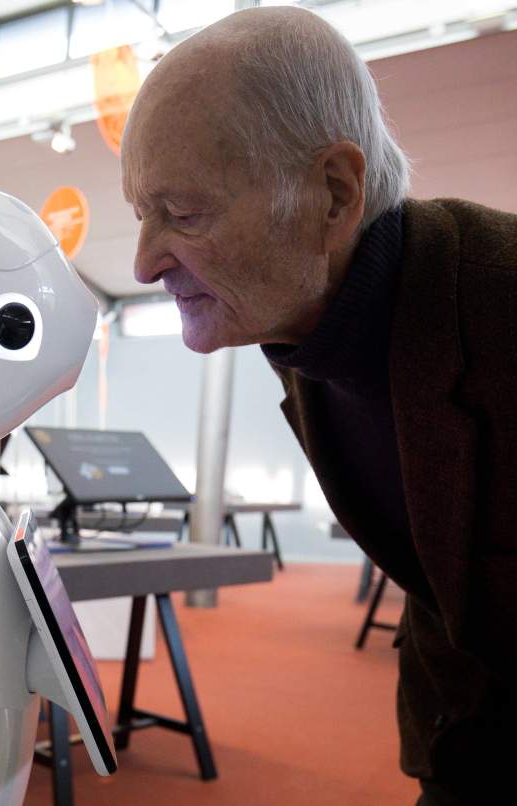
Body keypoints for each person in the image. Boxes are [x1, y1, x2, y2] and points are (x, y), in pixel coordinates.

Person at [121, 7, 515, 805]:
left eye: (184, 213)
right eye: (142, 214)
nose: (142, 264)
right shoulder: (311, 326)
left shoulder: (500, 312)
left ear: (333, 194)